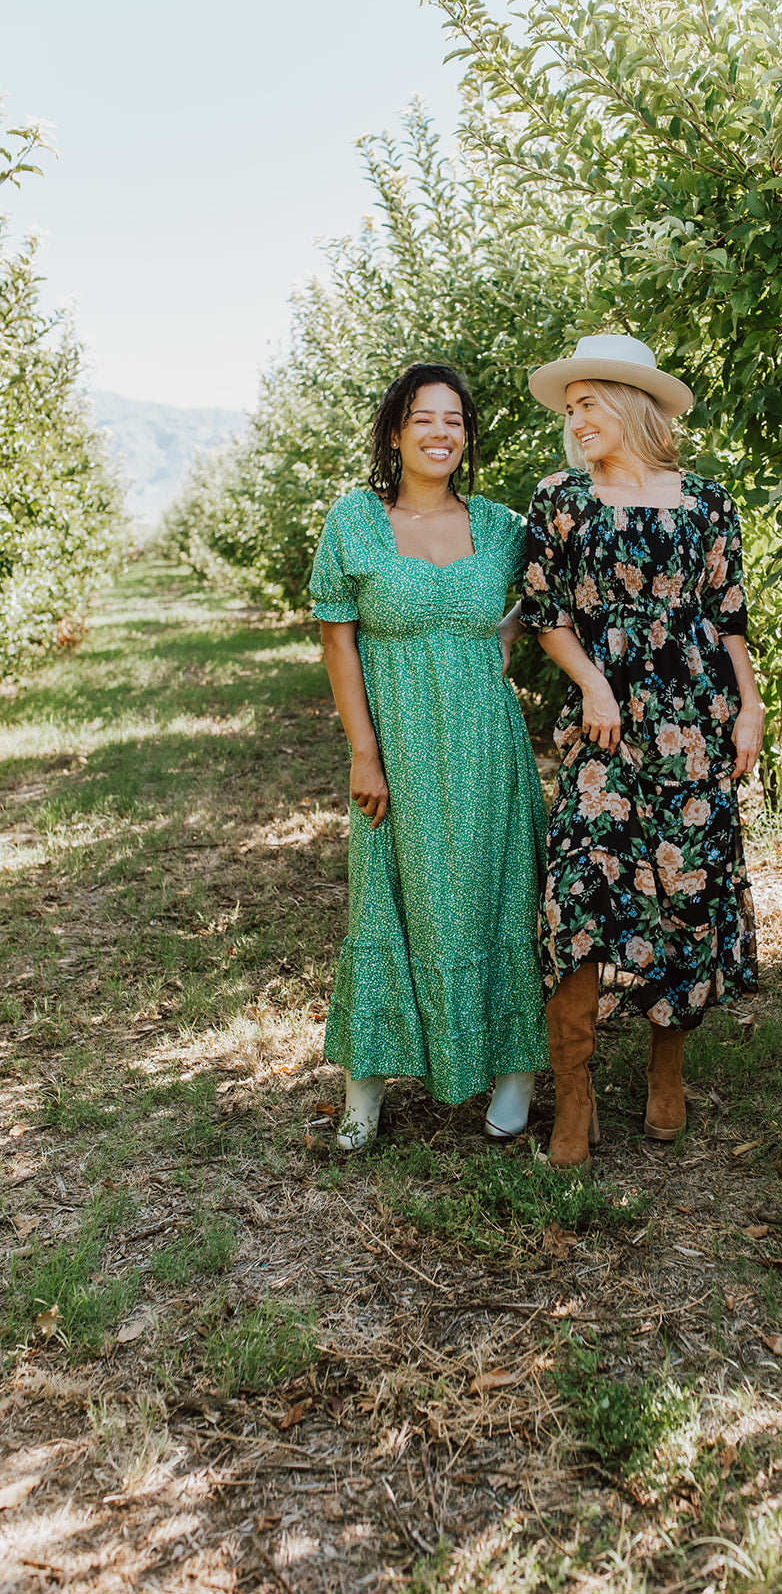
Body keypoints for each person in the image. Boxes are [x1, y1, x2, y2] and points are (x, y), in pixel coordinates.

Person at [520, 334, 763, 1168]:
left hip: (695, 721)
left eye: (587, 403)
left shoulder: (706, 501)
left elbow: (729, 619)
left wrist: (751, 710)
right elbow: (547, 616)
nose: (574, 418)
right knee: (579, 887)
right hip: (603, 726)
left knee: (684, 891)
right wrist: (592, 682)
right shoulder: (559, 497)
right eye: (570, 405)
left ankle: (667, 1063)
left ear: (629, 403)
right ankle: (575, 1087)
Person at [309, 363, 548, 1150]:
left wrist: (504, 633)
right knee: (384, 900)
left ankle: (513, 1078)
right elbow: (338, 640)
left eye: (454, 421)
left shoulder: (503, 527)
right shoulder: (353, 520)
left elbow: (561, 593)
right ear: (394, 431)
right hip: (398, 747)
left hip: (486, 745)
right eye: (424, 418)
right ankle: (363, 1094)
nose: (441, 433)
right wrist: (362, 752)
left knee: (498, 894)